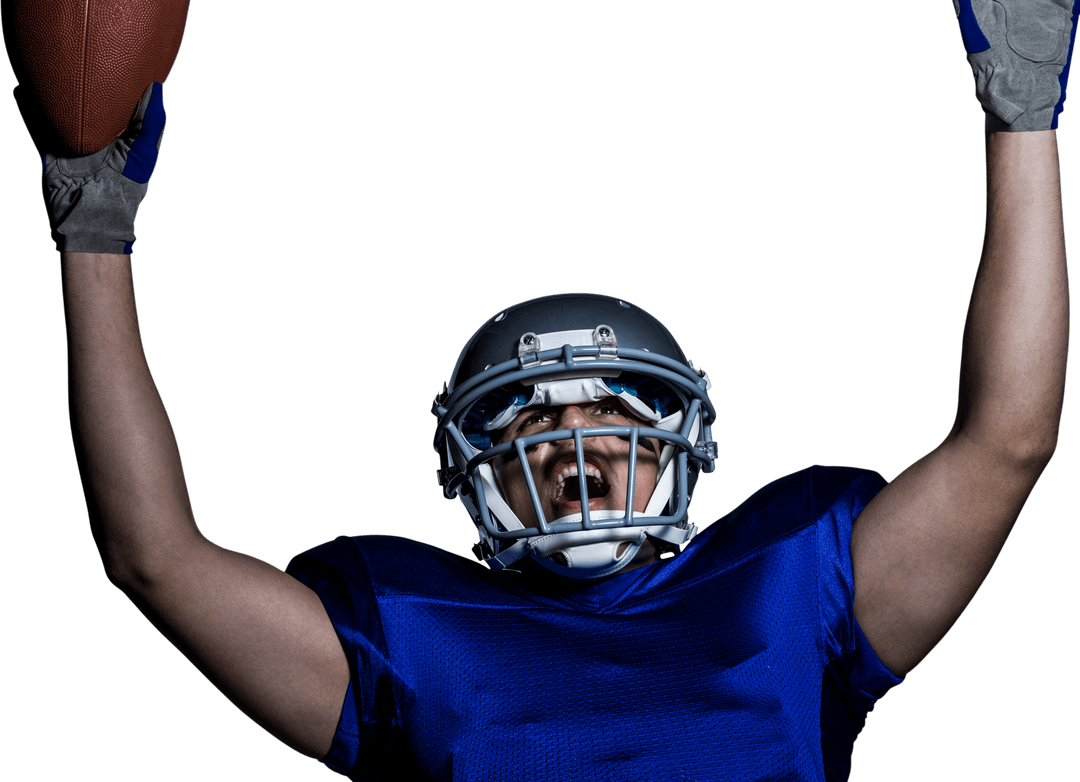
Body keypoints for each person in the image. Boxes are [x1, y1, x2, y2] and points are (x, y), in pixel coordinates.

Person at [9, 3, 1074, 780]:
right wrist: (94, 228)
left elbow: (1010, 438)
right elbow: (151, 553)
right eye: (531, 417)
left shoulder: (792, 583)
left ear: (676, 443)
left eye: (607, 409)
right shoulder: (412, 631)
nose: (572, 439)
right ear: (470, 472)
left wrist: (1022, 108)